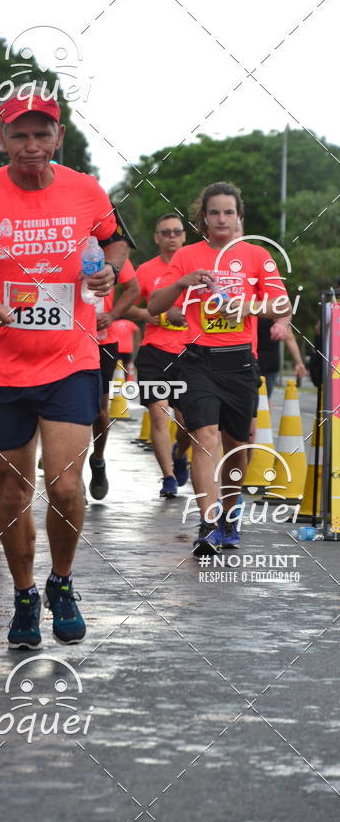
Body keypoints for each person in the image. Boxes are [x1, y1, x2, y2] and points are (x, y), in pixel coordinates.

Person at [0, 90, 130, 649]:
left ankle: (61, 582)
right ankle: (24, 596)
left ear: (58, 137)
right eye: (20, 135)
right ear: (2, 139)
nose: (32, 145)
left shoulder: (86, 191)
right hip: (2, 367)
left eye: (42, 134)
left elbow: (114, 244)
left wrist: (109, 272)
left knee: (64, 486)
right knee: (13, 493)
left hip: (70, 359)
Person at [149, 182, 291, 555]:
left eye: (229, 212)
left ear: (239, 217)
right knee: (204, 437)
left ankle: (230, 514)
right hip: (198, 360)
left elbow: (282, 305)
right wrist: (182, 282)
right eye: (214, 212)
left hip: (240, 362)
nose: (221, 218)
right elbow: (154, 305)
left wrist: (248, 307)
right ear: (204, 218)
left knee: (236, 447)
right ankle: (208, 523)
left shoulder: (257, 255)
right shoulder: (187, 256)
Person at [128, 213, 191, 499]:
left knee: (188, 423)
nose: (172, 237)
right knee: (158, 414)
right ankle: (168, 477)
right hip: (155, 353)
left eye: (177, 231)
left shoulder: (196, 269)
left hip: (190, 353)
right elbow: (126, 305)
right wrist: (148, 315)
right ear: (157, 238)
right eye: (165, 232)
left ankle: (180, 453)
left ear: (184, 236)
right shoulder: (145, 270)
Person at [89, 259, 139, 500]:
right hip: (66, 339)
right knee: (67, 407)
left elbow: (133, 289)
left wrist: (112, 315)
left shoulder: (113, 253)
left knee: (100, 410)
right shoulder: (61, 244)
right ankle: (68, 469)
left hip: (103, 342)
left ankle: (98, 460)